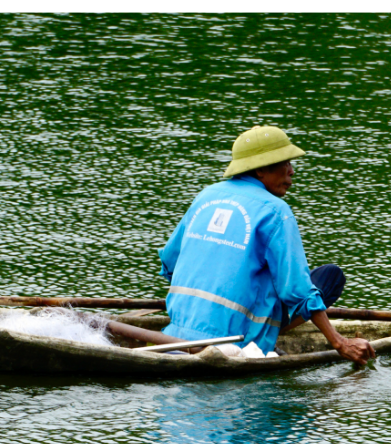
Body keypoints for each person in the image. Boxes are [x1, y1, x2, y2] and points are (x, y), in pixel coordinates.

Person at [158, 125, 376, 366]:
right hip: (237, 341)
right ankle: (263, 336)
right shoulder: (275, 211)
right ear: (261, 168)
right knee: (330, 277)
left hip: (174, 335)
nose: (292, 172)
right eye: (286, 163)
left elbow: (169, 262)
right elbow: (298, 291)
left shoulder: (206, 196)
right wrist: (339, 343)